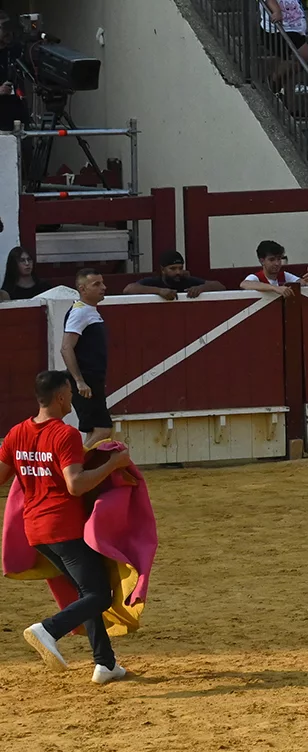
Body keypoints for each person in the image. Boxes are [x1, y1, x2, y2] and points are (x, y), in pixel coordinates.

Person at [1, 370, 136, 682]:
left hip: (35, 530)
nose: (73, 399)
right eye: (70, 394)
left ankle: (106, 663)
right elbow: (75, 485)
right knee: (99, 594)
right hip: (63, 527)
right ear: (60, 397)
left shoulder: (16, 433)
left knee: (85, 590)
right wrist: (112, 464)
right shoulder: (65, 435)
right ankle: (48, 629)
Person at [60, 270, 113, 445]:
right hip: (86, 380)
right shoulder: (80, 312)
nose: (103, 288)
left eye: (102, 283)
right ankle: (74, 467)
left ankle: (81, 467)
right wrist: (79, 380)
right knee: (102, 429)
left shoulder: (88, 311)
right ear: (82, 289)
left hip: (91, 379)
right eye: (96, 284)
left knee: (94, 430)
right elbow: (66, 347)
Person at [123, 250, 225, 299]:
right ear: (163, 270)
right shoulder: (154, 282)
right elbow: (128, 289)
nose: (178, 272)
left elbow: (220, 287)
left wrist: (201, 288)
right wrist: (159, 291)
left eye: (180, 268)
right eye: (173, 268)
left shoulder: (187, 280)